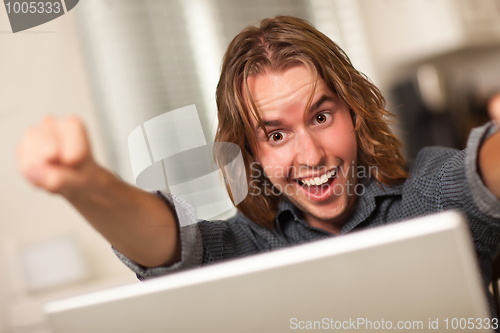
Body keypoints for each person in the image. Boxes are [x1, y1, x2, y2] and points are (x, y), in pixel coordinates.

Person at [17, 16, 500, 314]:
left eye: (322, 116)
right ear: (249, 152)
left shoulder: (429, 191)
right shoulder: (246, 247)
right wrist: (87, 184)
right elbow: (167, 245)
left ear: (354, 113)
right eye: (275, 134)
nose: (311, 156)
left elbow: (483, 172)